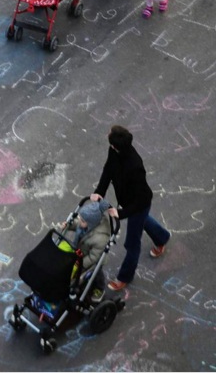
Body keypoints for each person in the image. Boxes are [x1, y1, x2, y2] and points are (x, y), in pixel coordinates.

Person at [90, 125, 170, 291]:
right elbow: (108, 170)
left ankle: (124, 277)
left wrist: (119, 213)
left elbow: (141, 201)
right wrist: (99, 192)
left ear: (116, 146)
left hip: (138, 205)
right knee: (144, 221)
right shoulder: (114, 152)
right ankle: (162, 237)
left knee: (132, 243)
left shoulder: (135, 167)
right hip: (129, 202)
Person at [58, 199, 113, 302]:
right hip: (81, 251)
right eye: (80, 218)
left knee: (96, 273)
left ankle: (99, 289)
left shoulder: (100, 238)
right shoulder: (86, 223)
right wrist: (68, 224)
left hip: (93, 259)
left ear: (91, 223)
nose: (80, 221)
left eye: (82, 220)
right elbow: (78, 224)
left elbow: (93, 258)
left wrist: (80, 264)